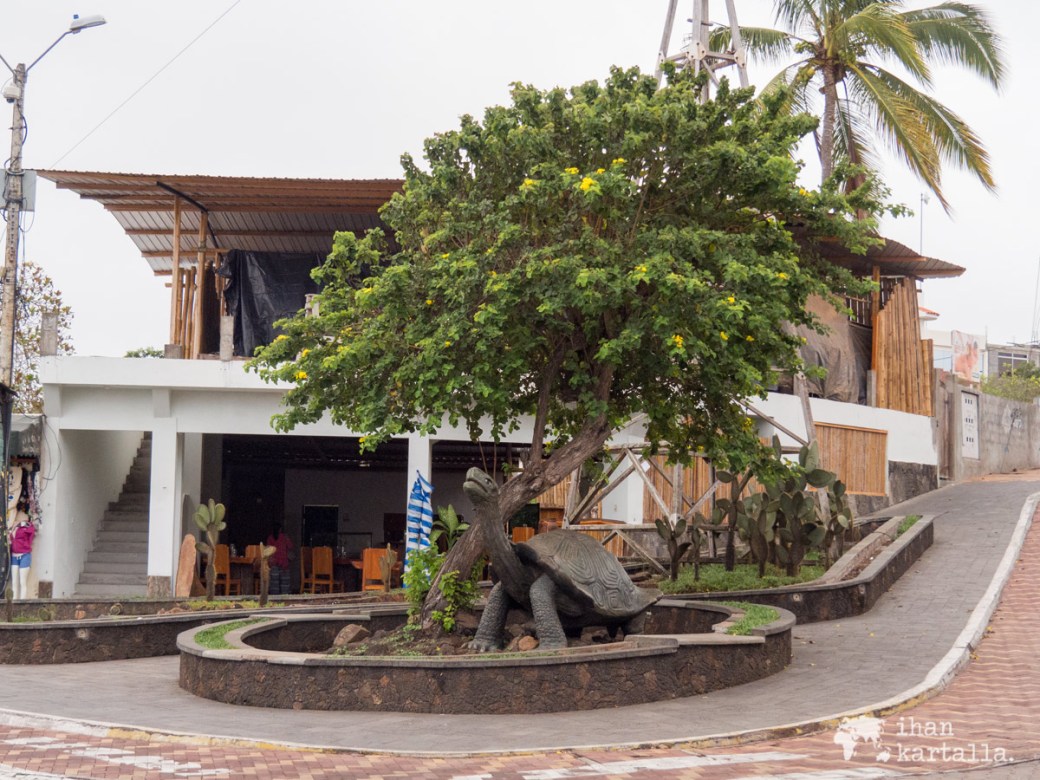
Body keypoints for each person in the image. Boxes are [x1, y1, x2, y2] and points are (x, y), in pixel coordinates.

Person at [10, 499, 36, 600]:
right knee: (14, 582)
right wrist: (15, 527)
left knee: (22, 581)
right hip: (14, 555)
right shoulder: (14, 526)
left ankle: (22, 602)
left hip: (24, 554)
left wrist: (25, 524)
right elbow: (12, 539)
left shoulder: (26, 527)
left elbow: (32, 531)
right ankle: (13, 603)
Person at [266, 523, 294, 594]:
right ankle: (285, 599)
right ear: (280, 529)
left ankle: (275, 600)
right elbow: (290, 546)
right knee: (285, 585)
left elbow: (268, 550)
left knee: (274, 585)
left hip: (274, 563)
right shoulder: (284, 537)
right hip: (284, 563)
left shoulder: (270, 538)